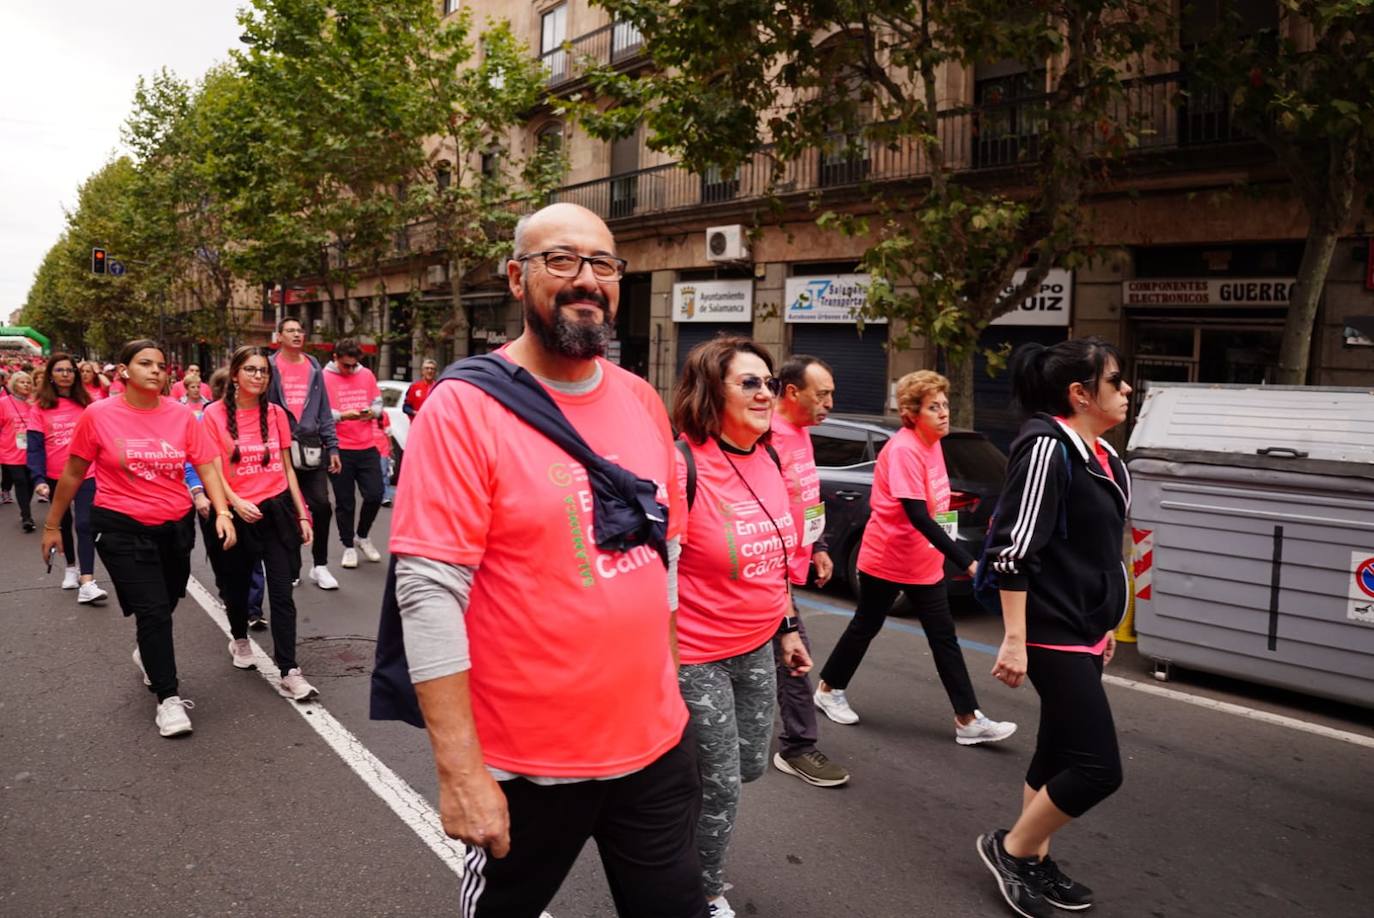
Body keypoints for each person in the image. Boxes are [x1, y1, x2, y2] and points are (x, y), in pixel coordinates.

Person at [388, 202, 705, 918]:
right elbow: (429, 590)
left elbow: (668, 560)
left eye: (603, 265)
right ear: (515, 278)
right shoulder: (464, 406)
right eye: (561, 260)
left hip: (654, 749)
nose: (586, 279)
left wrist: (674, 691)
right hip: (527, 768)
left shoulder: (642, 400)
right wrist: (461, 770)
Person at [975, 338, 1133, 918]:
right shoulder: (1046, 445)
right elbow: (1014, 552)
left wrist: (1107, 620)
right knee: (1098, 768)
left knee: (1056, 753)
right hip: (1049, 629)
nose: (1126, 390)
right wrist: (1015, 638)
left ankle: (1036, 860)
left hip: (1086, 626)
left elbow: (1095, 549)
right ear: (1080, 393)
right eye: (1116, 380)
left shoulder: (1104, 455)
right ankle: (1011, 848)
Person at [673, 335, 811, 918]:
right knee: (722, 783)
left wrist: (787, 629)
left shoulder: (772, 456)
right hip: (693, 655)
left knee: (749, 764)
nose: (765, 392)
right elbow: (654, 568)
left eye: (770, 382)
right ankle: (701, 891)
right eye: (749, 382)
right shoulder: (680, 463)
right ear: (711, 390)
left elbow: (776, 560)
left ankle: (673, 823)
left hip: (756, 646)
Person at [40, 339, 235, 738]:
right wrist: (52, 525)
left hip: (175, 526)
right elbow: (74, 473)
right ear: (124, 371)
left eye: (161, 365)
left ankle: (149, 652)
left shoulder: (182, 416)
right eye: (145, 363)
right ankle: (168, 698)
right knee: (153, 611)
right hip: (121, 526)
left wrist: (223, 511)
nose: (156, 371)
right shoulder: (98, 414)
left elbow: (208, 467)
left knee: (168, 599)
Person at [816, 370, 1017, 747]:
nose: (944, 414)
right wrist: (967, 562)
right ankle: (828, 689)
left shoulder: (934, 444)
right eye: (933, 407)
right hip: (887, 559)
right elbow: (918, 515)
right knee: (866, 625)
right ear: (912, 413)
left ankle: (967, 719)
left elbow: (939, 513)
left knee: (944, 638)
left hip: (922, 562)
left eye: (945, 405)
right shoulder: (906, 449)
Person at [201, 346, 318, 700]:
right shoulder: (213, 415)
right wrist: (235, 503)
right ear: (234, 374)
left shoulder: (278, 414)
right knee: (236, 589)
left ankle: (289, 670)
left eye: (264, 371)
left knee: (282, 593)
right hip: (236, 512)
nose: (258, 376)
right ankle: (239, 638)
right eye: (250, 370)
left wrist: (302, 512)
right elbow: (213, 470)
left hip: (276, 510)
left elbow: (286, 468)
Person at [766, 355, 850, 788]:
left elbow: (806, 496)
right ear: (792, 392)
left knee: (776, 656)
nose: (830, 403)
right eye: (823, 393)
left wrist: (817, 546)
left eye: (832, 394)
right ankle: (797, 746)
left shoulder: (801, 434)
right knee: (793, 652)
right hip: (765, 572)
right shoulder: (766, 436)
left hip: (787, 567)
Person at [267, 317, 342, 590]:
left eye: (300, 330)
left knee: (321, 505)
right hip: (280, 446)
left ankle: (319, 565)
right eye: (291, 331)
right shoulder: (270, 366)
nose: (297, 334)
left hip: (311, 445)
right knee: (287, 509)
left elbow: (324, 409)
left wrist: (332, 445)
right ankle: (292, 565)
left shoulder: (313, 366)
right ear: (280, 336)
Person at [28, 353, 107, 603]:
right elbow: (34, 447)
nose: (65, 374)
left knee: (85, 523)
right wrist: (38, 478)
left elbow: (102, 438)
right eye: (60, 370)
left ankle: (87, 580)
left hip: (88, 474)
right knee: (63, 524)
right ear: (50, 375)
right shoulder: (39, 408)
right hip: (55, 476)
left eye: (70, 370)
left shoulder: (88, 404)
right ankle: (70, 567)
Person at [322, 338, 383, 569]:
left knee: (375, 495)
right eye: (346, 365)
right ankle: (348, 546)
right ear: (335, 357)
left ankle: (362, 535)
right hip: (339, 448)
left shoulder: (366, 375)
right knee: (345, 502)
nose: (350, 370)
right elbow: (321, 412)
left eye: (353, 365)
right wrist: (342, 416)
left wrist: (371, 412)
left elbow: (378, 405)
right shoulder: (324, 377)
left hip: (367, 446)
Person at [2, 371, 37, 531]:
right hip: (10, 451)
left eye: (28, 382)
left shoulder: (35, 404)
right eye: (22, 382)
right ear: (13, 385)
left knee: (30, 484)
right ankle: (27, 517)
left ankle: (25, 509)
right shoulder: (3, 403)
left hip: (31, 452)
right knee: (21, 482)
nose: (26, 385)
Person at [374, 412, 395, 506]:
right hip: (369, 449)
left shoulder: (384, 414)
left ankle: (386, 497)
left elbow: (388, 431)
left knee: (383, 472)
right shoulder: (364, 413)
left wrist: (390, 447)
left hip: (383, 448)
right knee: (372, 475)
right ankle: (376, 496)